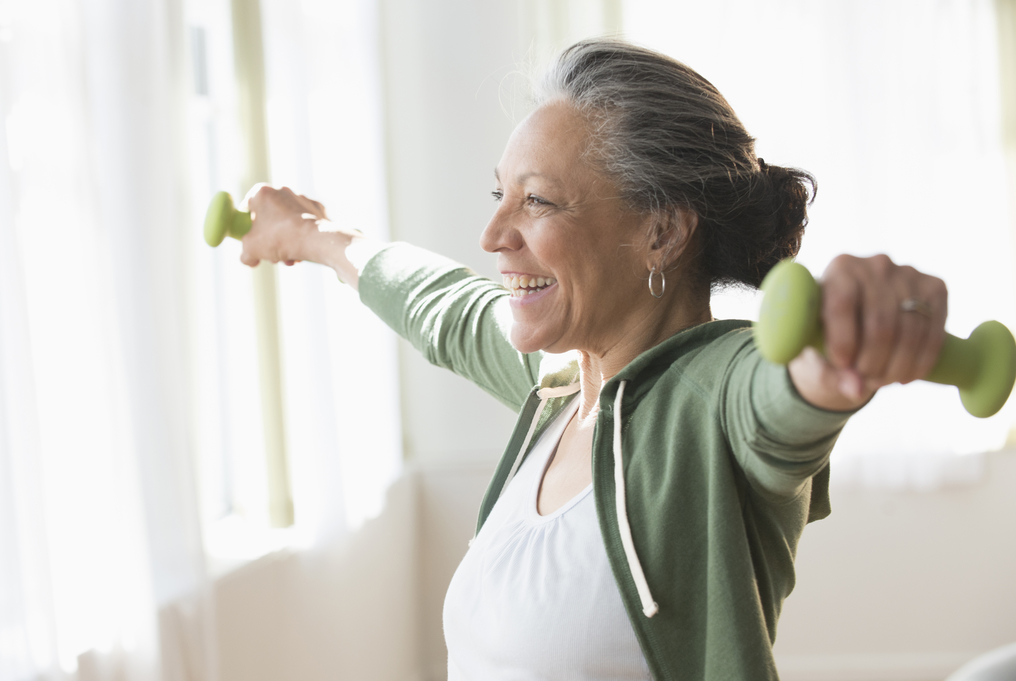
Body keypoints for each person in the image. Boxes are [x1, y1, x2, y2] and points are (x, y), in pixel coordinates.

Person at [238, 39, 947, 681]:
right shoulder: (559, 387)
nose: (491, 234)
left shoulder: (711, 397)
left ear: (662, 231)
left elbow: (780, 396)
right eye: (500, 195)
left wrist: (842, 354)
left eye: (537, 201)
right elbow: (442, 307)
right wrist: (315, 235)